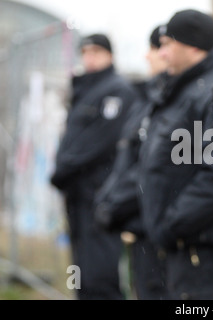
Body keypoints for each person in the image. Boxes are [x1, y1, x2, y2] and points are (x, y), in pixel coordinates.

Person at [137, 9, 213, 300]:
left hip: (201, 252)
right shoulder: (179, 92)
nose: (162, 53)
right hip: (176, 248)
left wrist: (170, 226)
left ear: (194, 46)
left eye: (168, 44)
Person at [50, 33, 137, 300]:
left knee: (100, 273)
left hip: (98, 194)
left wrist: (62, 170)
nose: (90, 58)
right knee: (79, 271)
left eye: (97, 52)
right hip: (76, 194)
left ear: (109, 55)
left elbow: (98, 142)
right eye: (85, 52)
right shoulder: (83, 89)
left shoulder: (117, 90)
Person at [93, 26, 169, 300]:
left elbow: (152, 167)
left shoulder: (173, 103)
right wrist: (109, 200)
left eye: (154, 48)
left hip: (157, 228)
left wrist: (117, 203)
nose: (147, 57)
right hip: (138, 223)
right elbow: (127, 161)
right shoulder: (148, 100)